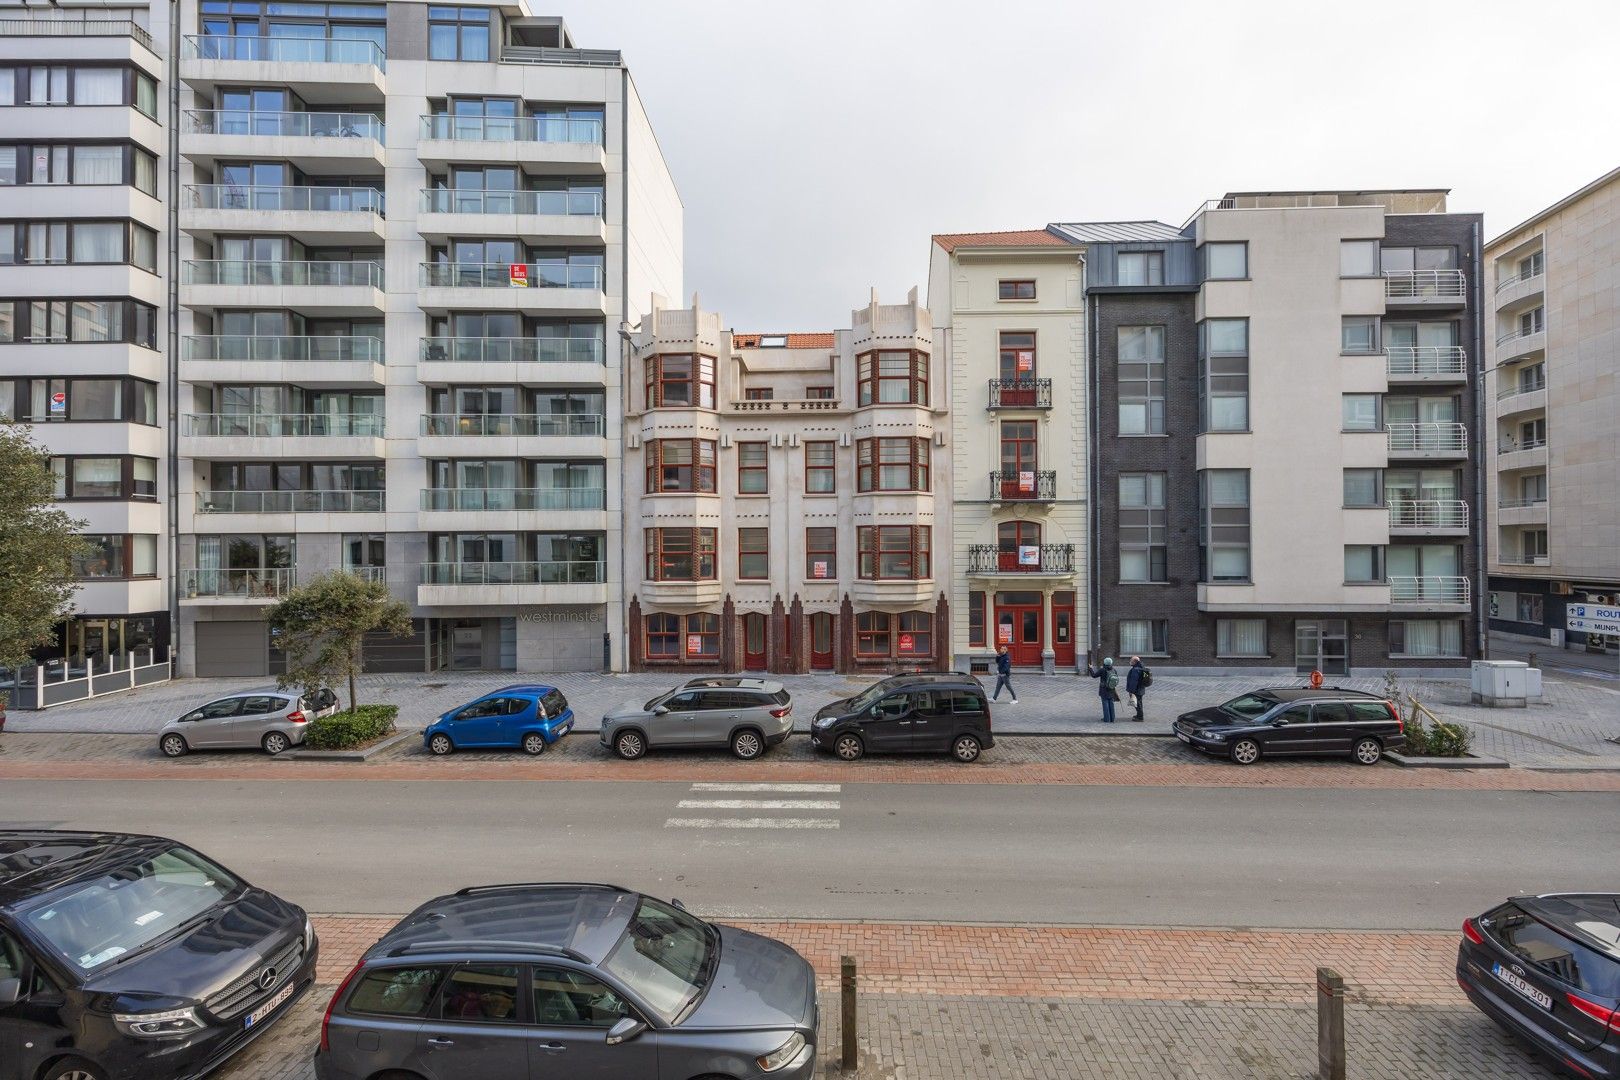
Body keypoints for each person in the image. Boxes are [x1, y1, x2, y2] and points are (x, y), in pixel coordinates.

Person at [1086, 656, 1118, 722]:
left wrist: (1091, 668)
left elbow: (1094, 675)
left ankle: (1107, 719)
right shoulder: (1114, 670)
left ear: (1104, 663)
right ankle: (1112, 718)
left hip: (1104, 689)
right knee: (1111, 703)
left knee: (1105, 703)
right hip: (1112, 689)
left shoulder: (1102, 670)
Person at [1125, 655, 1146, 722]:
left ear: (1135, 661)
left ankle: (1140, 717)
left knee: (1137, 704)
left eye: (1131, 660)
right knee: (1139, 703)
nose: (1130, 662)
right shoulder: (1142, 667)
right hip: (1141, 689)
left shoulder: (1135, 670)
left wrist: (1131, 691)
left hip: (1136, 690)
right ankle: (1139, 715)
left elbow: (1134, 682)